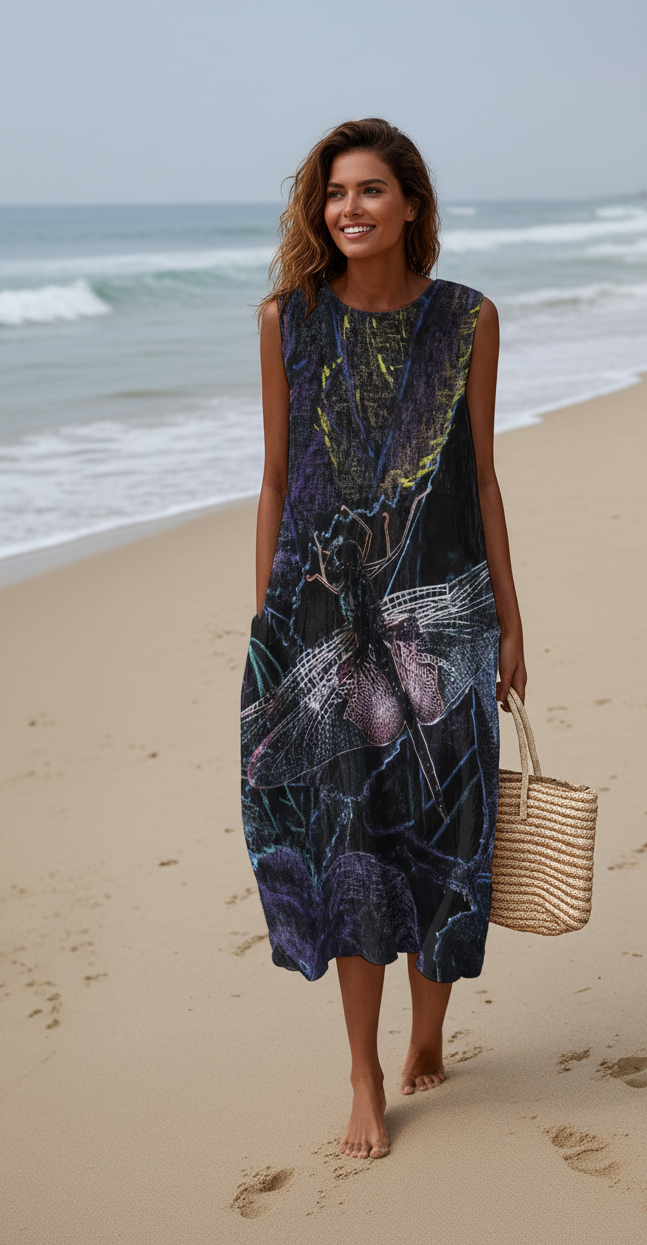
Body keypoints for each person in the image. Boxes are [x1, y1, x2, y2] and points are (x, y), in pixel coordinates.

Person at [240, 118, 526, 1161]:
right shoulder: (288, 322)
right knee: (351, 844)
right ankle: (363, 1076)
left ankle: (428, 1033)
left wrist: (509, 618)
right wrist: (269, 620)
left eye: (368, 191)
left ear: (410, 203)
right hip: (319, 621)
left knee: (448, 839)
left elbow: (481, 477)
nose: (348, 210)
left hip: (446, 610)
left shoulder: (468, 319)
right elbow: (274, 478)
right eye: (333, 195)